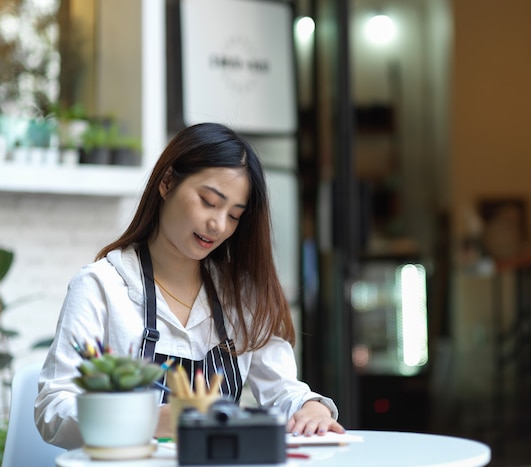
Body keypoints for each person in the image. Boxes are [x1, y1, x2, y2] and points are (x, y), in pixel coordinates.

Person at [35, 122, 345, 449]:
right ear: (167, 182)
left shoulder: (241, 295)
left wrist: (311, 408)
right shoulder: (102, 286)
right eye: (209, 201)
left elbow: (282, 391)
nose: (219, 224)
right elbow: (53, 407)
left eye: (235, 215)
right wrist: (151, 421)